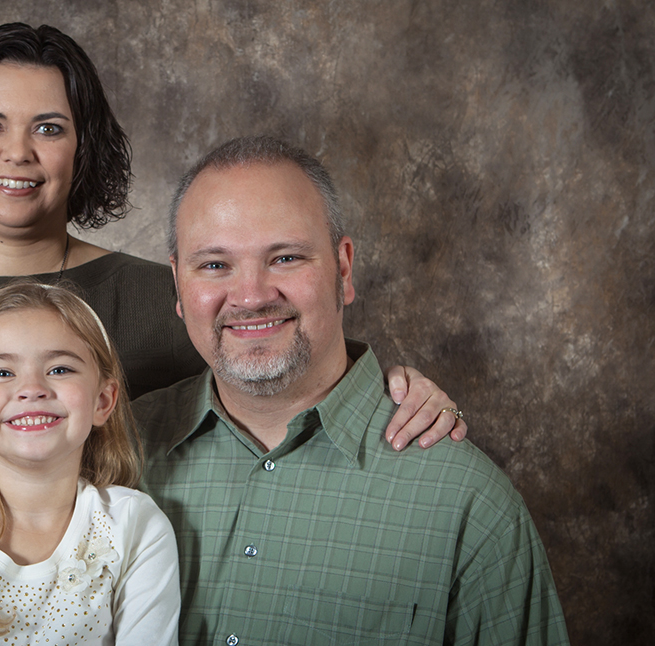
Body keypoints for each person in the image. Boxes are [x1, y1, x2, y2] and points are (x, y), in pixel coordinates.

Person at [0, 23, 464, 646]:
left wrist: (393, 390)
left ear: (83, 149)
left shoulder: (167, 298)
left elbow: (278, 374)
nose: (17, 152)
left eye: (49, 127)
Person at [134, 135, 569, 644]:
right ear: (178, 283)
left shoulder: (467, 503)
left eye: (286, 258)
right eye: (214, 265)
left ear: (343, 268)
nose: (250, 297)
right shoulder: (115, 453)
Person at [0, 282, 179, 645]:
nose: (32, 388)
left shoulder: (135, 525)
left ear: (103, 401)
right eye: (1, 372)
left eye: (60, 369)